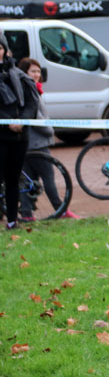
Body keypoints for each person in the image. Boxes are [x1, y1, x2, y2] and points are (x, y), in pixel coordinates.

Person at [17, 58, 81, 221]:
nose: (37, 75)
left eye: (38, 71)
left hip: (27, 144)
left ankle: (26, 213)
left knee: (28, 180)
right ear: (24, 73)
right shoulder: (29, 90)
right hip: (37, 143)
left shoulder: (30, 89)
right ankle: (60, 209)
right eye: (33, 71)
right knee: (48, 177)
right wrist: (49, 129)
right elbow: (36, 118)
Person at [0, 34, 39, 230]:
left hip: (19, 136)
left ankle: (13, 220)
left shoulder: (18, 75)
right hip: (1, 135)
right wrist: (7, 123)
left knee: (12, 180)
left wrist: (22, 122)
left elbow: (32, 102)